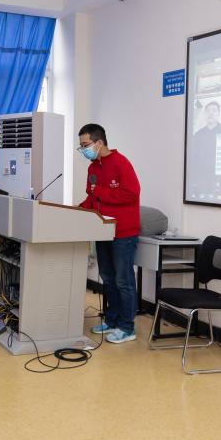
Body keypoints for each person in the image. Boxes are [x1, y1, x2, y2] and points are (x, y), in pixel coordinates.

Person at [77, 124, 141, 344]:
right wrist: (79, 209)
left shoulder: (121, 162)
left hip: (123, 233)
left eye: (85, 145)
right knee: (108, 278)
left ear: (99, 142)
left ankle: (127, 327)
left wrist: (101, 192)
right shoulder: (93, 168)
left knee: (124, 281)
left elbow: (132, 193)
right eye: (80, 146)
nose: (83, 149)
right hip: (102, 231)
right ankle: (112, 320)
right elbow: (92, 197)